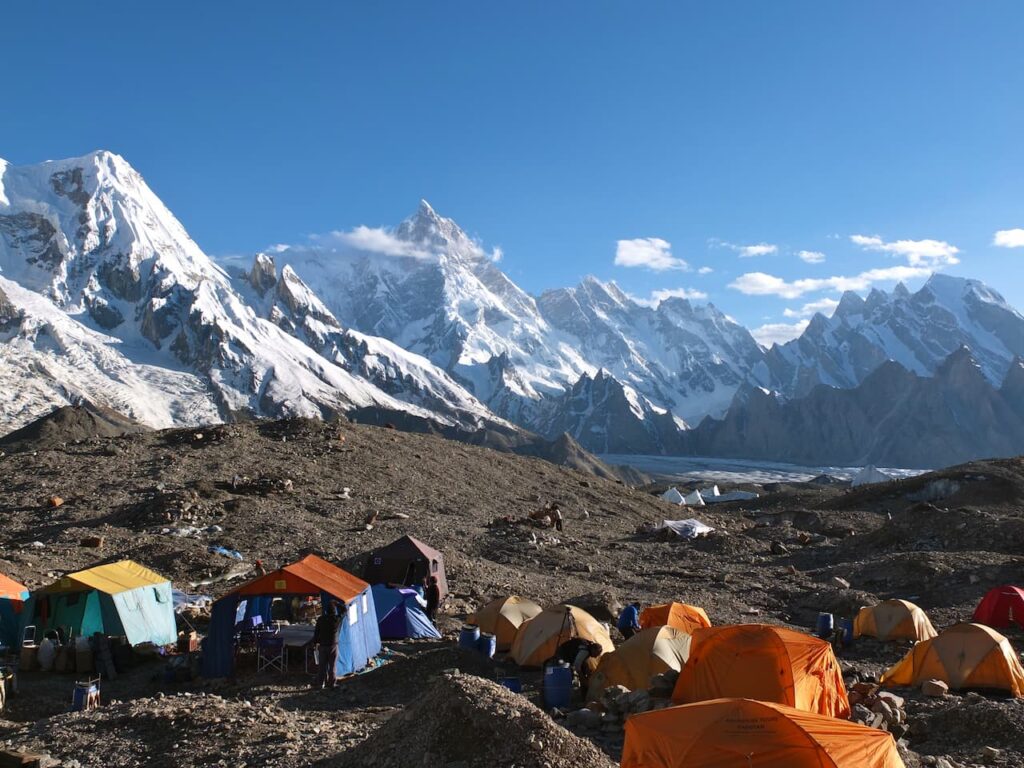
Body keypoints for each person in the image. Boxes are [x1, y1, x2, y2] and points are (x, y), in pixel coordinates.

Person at [313, 600, 344, 689]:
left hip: (322, 646)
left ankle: (320, 683)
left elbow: (316, 633)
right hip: (333, 646)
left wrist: (315, 643)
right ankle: (331, 684)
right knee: (332, 666)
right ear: (334, 611)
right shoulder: (336, 619)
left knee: (322, 666)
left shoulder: (321, 619)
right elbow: (344, 610)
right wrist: (336, 603)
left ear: (326, 611)